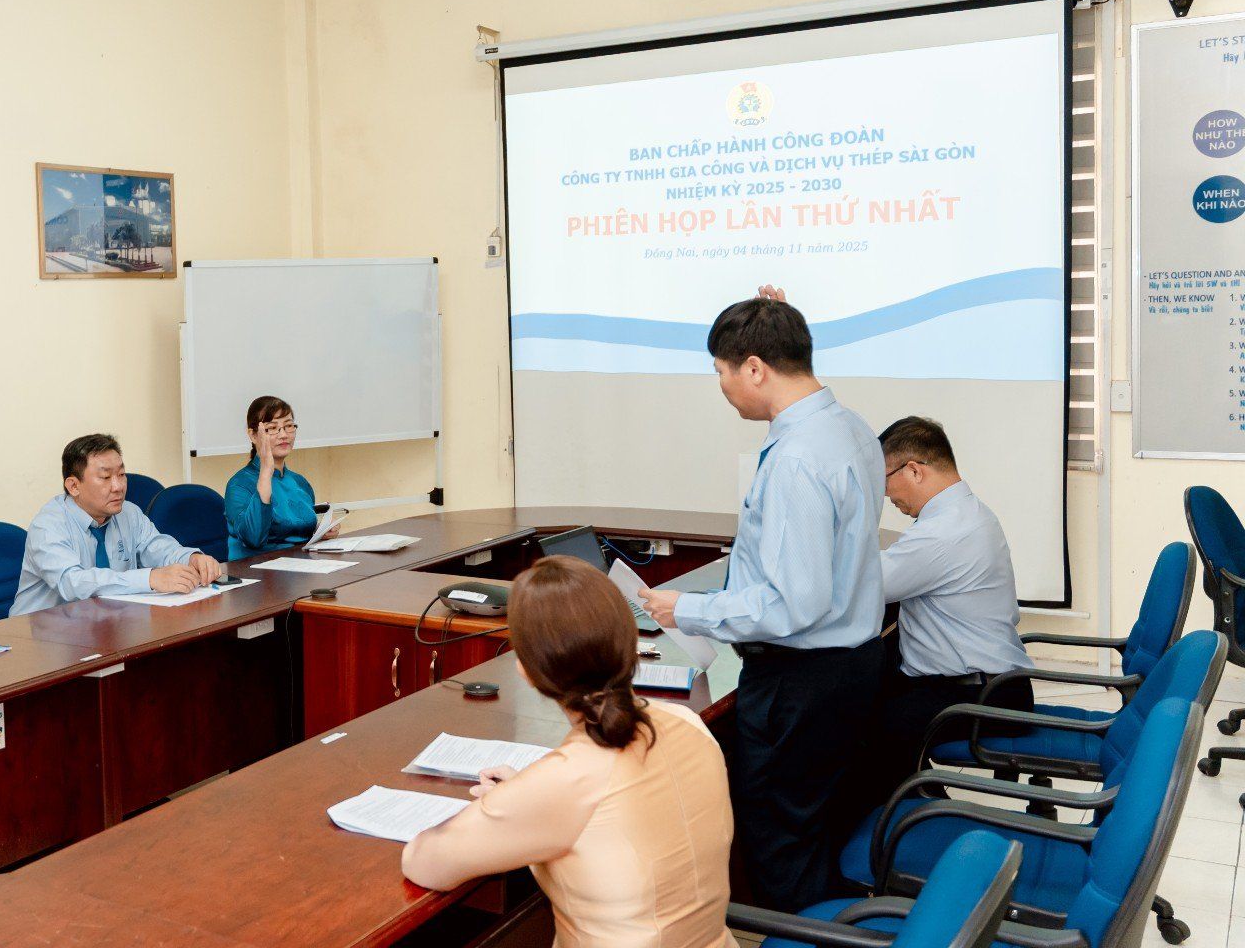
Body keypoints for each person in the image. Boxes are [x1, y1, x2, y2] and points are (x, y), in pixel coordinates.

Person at [634, 291, 884, 910]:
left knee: (780, 843)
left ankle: (799, 935)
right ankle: (828, 924)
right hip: (850, 669)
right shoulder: (849, 427)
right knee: (815, 827)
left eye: (722, 370)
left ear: (754, 368)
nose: (721, 386)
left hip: (799, 683)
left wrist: (686, 610)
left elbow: (793, 604)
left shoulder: (797, 459)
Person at [403, 556, 736, 948]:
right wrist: (526, 797)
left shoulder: (565, 780)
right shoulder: (688, 723)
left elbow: (424, 863)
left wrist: (521, 800)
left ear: (526, 669)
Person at [847, 416, 1036, 812]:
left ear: (914, 470)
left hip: (978, 696)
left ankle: (905, 827)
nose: (885, 496)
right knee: (860, 692)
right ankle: (922, 801)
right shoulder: (966, 512)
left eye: (883, 480)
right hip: (993, 684)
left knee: (855, 728)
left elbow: (859, 585)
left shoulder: (943, 532)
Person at [8, 433, 223, 615]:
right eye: (105, 477)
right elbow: (73, 583)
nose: (118, 486)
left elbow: (157, 547)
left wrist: (191, 558)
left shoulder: (128, 512)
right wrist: (150, 579)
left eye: (121, 474)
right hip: (42, 637)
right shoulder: (48, 526)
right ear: (73, 486)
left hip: (105, 625)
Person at [224, 395, 333, 559]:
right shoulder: (238, 485)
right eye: (273, 428)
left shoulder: (300, 482)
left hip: (301, 565)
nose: (283, 435)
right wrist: (266, 472)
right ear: (253, 435)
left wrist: (320, 532)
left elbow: (296, 533)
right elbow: (253, 539)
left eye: (288, 426)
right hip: (256, 569)